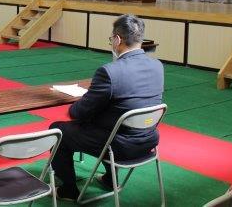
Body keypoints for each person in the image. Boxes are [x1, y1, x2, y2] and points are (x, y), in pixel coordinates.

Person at [49, 14, 164, 201]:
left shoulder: (110, 72)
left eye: (112, 39)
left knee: (57, 130)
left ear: (117, 39)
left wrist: (77, 106)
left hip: (118, 145)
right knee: (111, 124)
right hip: (148, 140)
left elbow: (80, 112)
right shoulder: (157, 66)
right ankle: (110, 179)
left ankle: (68, 189)